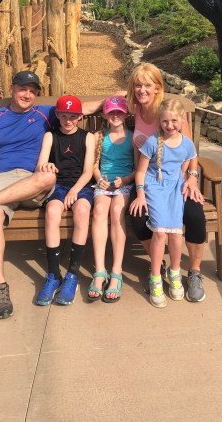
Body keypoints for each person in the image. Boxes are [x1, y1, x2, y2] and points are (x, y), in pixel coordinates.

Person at [0, 72, 102, 319]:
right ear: (11, 88)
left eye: (33, 91)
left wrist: (117, 98)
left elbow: (80, 109)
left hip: (34, 181)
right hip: (1, 178)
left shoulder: (45, 114)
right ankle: (0, 287)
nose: (27, 94)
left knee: (47, 176)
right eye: (23, 89)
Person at [126, 63, 207, 303]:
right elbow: (113, 102)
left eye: (147, 85)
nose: (142, 90)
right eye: (137, 85)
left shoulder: (170, 112)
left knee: (194, 214)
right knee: (138, 215)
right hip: (147, 180)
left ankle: (194, 271)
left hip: (178, 181)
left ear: (158, 87)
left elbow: (190, 152)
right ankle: (157, 264)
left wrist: (192, 178)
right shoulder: (135, 108)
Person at [35, 95, 95, 306]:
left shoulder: (87, 137)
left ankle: (72, 274)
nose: (68, 121)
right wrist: (46, 166)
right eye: (64, 116)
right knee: (52, 212)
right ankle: (53, 275)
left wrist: (75, 191)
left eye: (73, 116)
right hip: (58, 185)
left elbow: (88, 172)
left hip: (81, 185)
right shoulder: (50, 136)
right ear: (57, 115)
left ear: (80, 117)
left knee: (82, 211)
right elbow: (41, 164)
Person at [88, 96, 134, 303]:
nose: (115, 115)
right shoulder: (99, 136)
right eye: (111, 112)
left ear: (126, 115)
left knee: (117, 211)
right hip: (104, 183)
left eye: (119, 112)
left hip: (124, 183)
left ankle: (116, 271)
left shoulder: (133, 137)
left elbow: (138, 168)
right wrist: (100, 180)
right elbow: (94, 164)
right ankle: (100, 271)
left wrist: (125, 180)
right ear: (105, 115)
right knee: (99, 211)